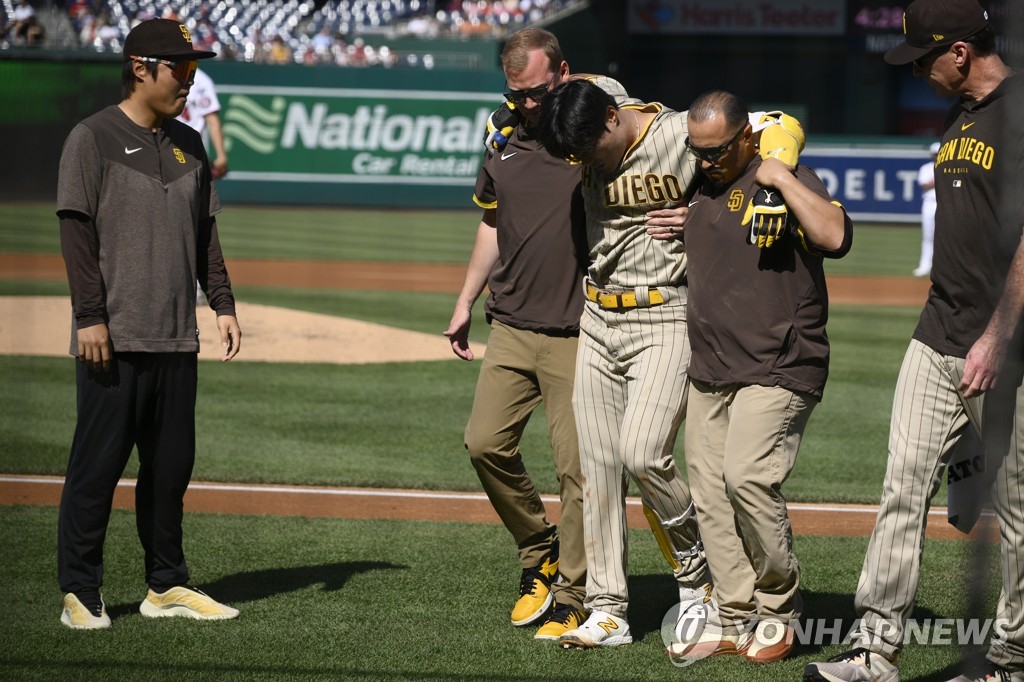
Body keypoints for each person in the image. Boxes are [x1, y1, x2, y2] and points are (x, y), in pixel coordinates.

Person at [537, 79, 807, 651]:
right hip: (598, 318)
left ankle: (696, 568)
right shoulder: (585, 114)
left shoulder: (679, 131)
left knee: (642, 453)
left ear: (614, 119)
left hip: (663, 312)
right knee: (598, 468)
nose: (584, 163)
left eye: (589, 150)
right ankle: (608, 608)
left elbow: (780, 122)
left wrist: (742, 201)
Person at [803, 0, 1024, 680]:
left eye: (924, 58)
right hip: (937, 337)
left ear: (960, 52)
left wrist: (993, 339)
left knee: (1017, 513)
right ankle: (875, 650)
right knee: (903, 485)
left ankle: (1011, 659)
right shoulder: (961, 115)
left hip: (1005, 349)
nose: (918, 71)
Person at [445, 27, 655, 643]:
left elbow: (651, 160)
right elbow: (492, 222)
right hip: (510, 324)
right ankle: (538, 550)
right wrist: (464, 300)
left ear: (563, 74)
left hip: (578, 331)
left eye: (537, 92)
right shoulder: (502, 132)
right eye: (517, 95)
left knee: (580, 472)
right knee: (484, 443)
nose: (528, 105)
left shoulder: (591, 129)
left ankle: (572, 593)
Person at [55, 18, 242, 629]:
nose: (190, 79)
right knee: (97, 468)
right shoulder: (92, 137)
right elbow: (76, 231)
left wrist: (223, 303)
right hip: (115, 337)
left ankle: (165, 584)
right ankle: (79, 591)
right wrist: (90, 317)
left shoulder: (189, 141)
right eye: (179, 68)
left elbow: (205, 235)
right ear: (141, 67)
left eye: (192, 68)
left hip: (174, 338)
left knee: (169, 471)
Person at [671, 90, 852, 664]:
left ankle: (778, 609)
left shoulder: (784, 176)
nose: (706, 162)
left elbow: (835, 237)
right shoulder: (701, 184)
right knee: (708, 492)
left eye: (718, 151)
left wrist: (783, 177)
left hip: (780, 362)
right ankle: (734, 611)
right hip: (712, 367)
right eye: (697, 152)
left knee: (747, 476)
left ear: (747, 136)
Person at [176, 67, 229, 179]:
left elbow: (212, 120)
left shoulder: (201, 80)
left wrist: (221, 155)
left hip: (189, 147)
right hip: (163, 142)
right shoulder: (162, 74)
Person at [913, 141, 940, 277]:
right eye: (935, 154)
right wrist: (939, 180)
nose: (937, 156)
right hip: (929, 203)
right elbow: (924, 185)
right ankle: (925, 265)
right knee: (928, 236)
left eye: (939, 153)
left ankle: (940, 267)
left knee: (943, 237)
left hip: (943, 204)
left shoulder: (948, 166)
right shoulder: (926, 168)